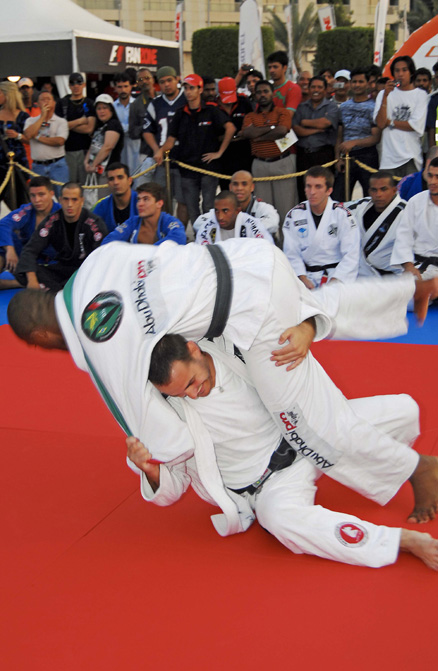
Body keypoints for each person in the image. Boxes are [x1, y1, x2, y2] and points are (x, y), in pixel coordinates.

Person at [8, 238, 437, 486]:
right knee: (308, 306)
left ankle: (416, 469)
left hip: (251, 313)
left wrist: (158, 449)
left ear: (41, 338)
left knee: (306, 422)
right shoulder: (97, 261)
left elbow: (167, 441)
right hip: (248, 257)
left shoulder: (97, 347)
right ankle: (405, 291)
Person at [125, 333, 438, 569]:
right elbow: (172, 487)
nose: (193, 394)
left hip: (305, 438)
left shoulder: (233, 348)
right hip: (269, 486)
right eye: (180, 393)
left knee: (405, 411)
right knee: (281, 521)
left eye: (193, 382)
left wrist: (303, 330)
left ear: (194, 349)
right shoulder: (165, 411)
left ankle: (400, 468)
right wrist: (151, 469)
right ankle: (399, 541)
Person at [154, 74, 235, 224]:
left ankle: (210, 236)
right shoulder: (180, 113)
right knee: (191, 207)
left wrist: (220, 153)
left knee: (209, 206)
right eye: (186, 88)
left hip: (208, 167)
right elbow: (171, 139)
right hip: (187, 168)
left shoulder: (211, 109)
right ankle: (199, 237)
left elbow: (230, 128)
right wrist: (160, 151)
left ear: (200, 89)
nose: (188, 91)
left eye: (192, 88)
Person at [14, 182, 107, 291]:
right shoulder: (52, 221)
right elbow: (30, 250)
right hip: (61, 270)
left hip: (85, 271)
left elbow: (102, 256)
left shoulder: (94, 223)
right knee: (24, 272)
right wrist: (32, 280)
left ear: (82, 200)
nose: (69, 204)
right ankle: (60, 292)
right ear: (60, 200)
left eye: (74, 200)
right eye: (66, 199)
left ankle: (57, 292)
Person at [283, 166, 360, 289]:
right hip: (305, 277)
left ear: (329, 190)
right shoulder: (294, 215)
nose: (312, 192)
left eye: (318, 187)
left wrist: (335, 281)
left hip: (336, 276)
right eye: (308, 186)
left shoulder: (342, 215)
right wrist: (302, 278)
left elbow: (351, 255)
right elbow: (291, 253)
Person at [240, 80, 298, 224]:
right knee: (263, 212)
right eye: (259, 92)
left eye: (266, 91)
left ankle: (285, 245)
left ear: (273, 93)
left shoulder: (282, 112)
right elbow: (247, 133)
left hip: (282, 163)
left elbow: (282, 131)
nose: (262, 95)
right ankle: (267, 245)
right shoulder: (250, 116)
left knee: (286, 209)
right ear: (255, 95)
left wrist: (259, 136)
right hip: (260, 165)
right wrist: (272, 128)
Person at [142, 66, 187, 223]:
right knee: (161, 199)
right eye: (162, 82)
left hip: (183, 159)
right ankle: (167, 230)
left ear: (177, 80)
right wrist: (156, 149)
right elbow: (147, 130)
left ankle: (180, 231)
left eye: (170, 80)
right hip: (162, 160)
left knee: (183, 200)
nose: (167, 84)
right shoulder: (155, 104)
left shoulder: (186, 99)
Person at [0, 176, 60, 289]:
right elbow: (4, 224)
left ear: (51, 194)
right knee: (5, 240)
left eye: (41, 195)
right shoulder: (27, 210)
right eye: (33, 195)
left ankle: (14, 284)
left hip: (50, 263)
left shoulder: (62, 214)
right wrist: (10, 249)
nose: (37, 200)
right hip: (24, 258)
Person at [374, 56, 428, 177]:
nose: (400, 74)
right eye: (397, 71)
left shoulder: (420, 95)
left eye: (404, 70)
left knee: (410, 194)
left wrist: (391, 122)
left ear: (411, 72)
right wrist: (385, 97)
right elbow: (381, 123)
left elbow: (415, 125)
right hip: (388, 159)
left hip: (411, 156)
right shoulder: (384, 94)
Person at [333, 67, 380, 201]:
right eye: (354, 82)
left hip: (367, 155)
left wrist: (354, 143)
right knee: (339, 198)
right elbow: (339, 135)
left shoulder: (373, 106)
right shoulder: (344, 106)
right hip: (347, 156)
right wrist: (338, 158)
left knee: (370, 198)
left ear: (367, 83)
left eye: (360, 82)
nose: (357, 85)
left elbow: (375, 137)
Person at [347, 171, 405, 277]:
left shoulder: (406, 212)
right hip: (361, 273)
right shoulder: (361, 206)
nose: (378, 194)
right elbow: (335, 209)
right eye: (374, 190)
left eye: (383, 189)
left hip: (393, 277)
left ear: (394, 190)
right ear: (369, 191)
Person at [391, 156, 438, 280]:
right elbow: (404, 237)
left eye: (437, 177)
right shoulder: (416, 202)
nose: (433, 181)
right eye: (430, 176)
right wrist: (408, 266)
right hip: (420, 268)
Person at [293, 76, 339, 201]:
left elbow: (325, 123)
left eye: (319, 87)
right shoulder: (301, 107)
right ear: (308, 88)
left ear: (325, 90)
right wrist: (317, 130)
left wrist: (305, 122)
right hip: (303, 156)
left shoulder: (332, 107)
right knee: (304, 192)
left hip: (323, 155)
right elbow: (297, 130)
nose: (316, 90)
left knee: (323, 191)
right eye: (313, 87)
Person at [101, 181, 185, 246]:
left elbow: (179, 239)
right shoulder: (133, 222)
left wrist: (143, 252)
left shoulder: (171, 222)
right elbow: (108, 242)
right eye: (138, 199)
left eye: (146, 199)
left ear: (159, 203)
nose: (140, 204)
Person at [23, 90, 69, 200]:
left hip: (57, 165)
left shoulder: (61, 122)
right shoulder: (30, 121)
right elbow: (28, 134)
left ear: (54, 103)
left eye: (48, 99)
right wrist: (43, 116)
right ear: (37, 104)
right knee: (38, 199)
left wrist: (38, 137)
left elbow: (59, 141)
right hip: (38, 166)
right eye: (42, 99)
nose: (46, 102)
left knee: (62, 197)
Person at [55, 73, 96, 184]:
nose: (76, 86)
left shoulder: (89, 103)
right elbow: (57, 126)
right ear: (69, 86)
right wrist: (80, 121)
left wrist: (67, 125)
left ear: (84, 85)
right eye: (72, 83)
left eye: (79, 83)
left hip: (85, 150)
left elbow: (89, 128)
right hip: (67, 151)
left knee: (85, 186)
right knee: (69, 185)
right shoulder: (62, 103)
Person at [194, 191, 273, 244]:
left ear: (237, 210)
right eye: (217, 211)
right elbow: (201, 255)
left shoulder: (252, 225)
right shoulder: (208, 227)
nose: (220, 217)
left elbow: (266, 250)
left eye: (225, 211)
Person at [216, 77, 253, 189]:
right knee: (226, 190)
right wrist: (236, 136)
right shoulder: (213, 106)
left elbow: (251, 125)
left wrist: (232, 137)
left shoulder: (244, 102)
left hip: (244, 155)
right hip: (224, 158)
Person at [84, 94, 124, 198]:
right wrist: (86, 161)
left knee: (104, 200)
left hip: (108, 171)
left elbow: (108, 147)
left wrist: (93, 164)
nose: (101, 111)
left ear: (111, 109)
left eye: (105, 108)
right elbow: (93, 145)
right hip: (96, 170)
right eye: (99, 108)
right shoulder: (100, 126)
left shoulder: (113, 124)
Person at [0, 80, 30, 210]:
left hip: (18, 162)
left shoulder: (23, 116)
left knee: (20, 200)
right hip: (0, 162)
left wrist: (18, 135)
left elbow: (30, 139)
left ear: (7, 95)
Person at [228, 169, 279, 237]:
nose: (239, 188)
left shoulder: (264, 208)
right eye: (235, 184)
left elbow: (273, 224)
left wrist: (242, 224)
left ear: (252, 187)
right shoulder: (223, 209)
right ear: (230, 187)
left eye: (244, 184)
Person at [92, 162, 138, 233]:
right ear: (108, 183)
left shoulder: (141, 203)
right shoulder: (102, 207)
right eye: (111, 179)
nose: (116, 182)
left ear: (129, 181)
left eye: (120, 177)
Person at [128, 68, 155, 179]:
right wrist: (146, 127)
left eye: (147, 78)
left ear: (153, 79)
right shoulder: (135, 105)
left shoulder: (163, 98)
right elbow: (132, 133)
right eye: (140, 80)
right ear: (137, 84)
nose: (144, 81)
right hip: (146, 154)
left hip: (166, 152)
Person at [113, 72, 138, 174]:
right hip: (119, 150)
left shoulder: (138, 105)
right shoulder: (112, 107)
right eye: (120, 87)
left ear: (131, 87)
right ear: (115, 88)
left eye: (125, 86)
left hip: (136, 149)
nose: (123, 90)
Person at [267, 50, 302, 118]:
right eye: (269, 67)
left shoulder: (293, 88)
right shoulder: (266, 89)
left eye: (275, 67)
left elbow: (288, 115)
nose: (271, 70)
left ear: (285, 68)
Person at [17, 77, 39, 168]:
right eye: (22, 88)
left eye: (27, 88)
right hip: (23, 150)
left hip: (39, 146)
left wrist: (40, 126)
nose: (25, 91)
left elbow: (47, 123)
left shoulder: (39, 107)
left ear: (32, 90)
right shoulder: (16, 111)